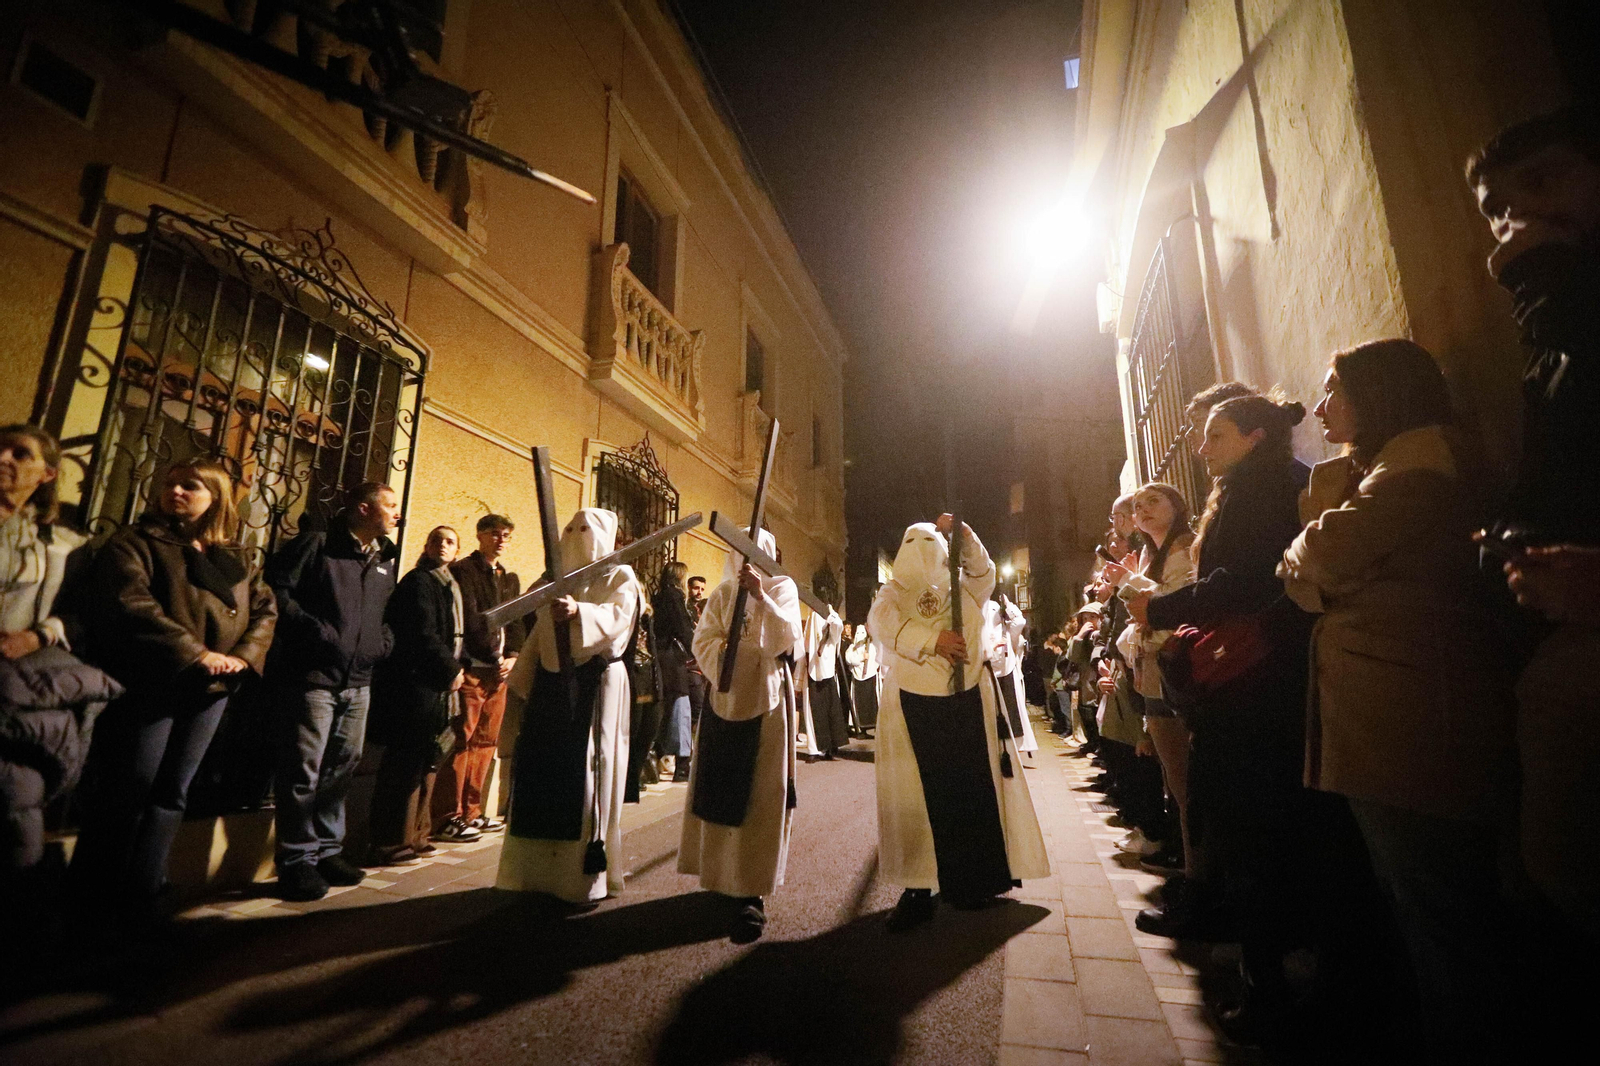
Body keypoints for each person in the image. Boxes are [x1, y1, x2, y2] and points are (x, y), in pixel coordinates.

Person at [1280, 339, 1516, 1061]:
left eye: (1334, 391)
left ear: (1382, 394)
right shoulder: (1384, 467)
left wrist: (1309, 565)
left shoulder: (1417, 464)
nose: (1320, 408)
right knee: (1415, 899)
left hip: (1413, 709)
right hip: (1394, 703)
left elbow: (1314, 557)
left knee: (1437, 906)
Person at [1126, 395, 1312, 1028]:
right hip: (1237, 677)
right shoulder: (1244, 488)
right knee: (1226, 819)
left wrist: (1160, 608)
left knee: (1248, 827)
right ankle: (1255, 967)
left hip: (1252, 682)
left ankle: (1268, 992)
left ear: (1255, 437)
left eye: (1216, 435)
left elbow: (1240, 580)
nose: (1201, 448)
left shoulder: (1262, 494)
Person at [1468, 107, 1600, 944]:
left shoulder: (1562, 299)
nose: (1520, 220)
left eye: (1546, 183)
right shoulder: (1550, 320)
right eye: (1498, 209)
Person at [75, 459, 277, 913]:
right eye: (171, 484)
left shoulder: (236, 556)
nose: (176, 492)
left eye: (191, 486)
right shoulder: (137, 542)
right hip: (155, 682)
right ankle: (97, 895)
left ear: (217, 498)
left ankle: (146, 886)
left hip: (213, 689)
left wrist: (241, 658)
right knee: (131, 785)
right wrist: (196, 653)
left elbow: (265, 609)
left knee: (173, 790)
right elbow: (132, 603)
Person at [868, 516, 1048, 932]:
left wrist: (966, 536)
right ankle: (918, 886)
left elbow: (983, 570)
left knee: (972, 788)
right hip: (911, 701)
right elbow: (882, 624)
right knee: (915, 797)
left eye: (930, 541)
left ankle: (974, 882)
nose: (921, 548)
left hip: (968, 699)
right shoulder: (892, 592)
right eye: (911, 541)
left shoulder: (965, 586)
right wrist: (932, 641)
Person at [498, 508, 641, 905]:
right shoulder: (551, 580)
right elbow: (538, 631)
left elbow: (617, 622)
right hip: (551, 687)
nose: (579, 536)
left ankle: (580, 880)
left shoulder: (619, 576)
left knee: (587, 776)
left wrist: (581, 612)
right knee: (541, 773)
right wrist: (525, 675)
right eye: (572, 529)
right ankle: (532, 875)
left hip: (595, 686)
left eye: (588, 530)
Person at [267, 481, 400, 902]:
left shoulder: (381, 560)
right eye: (390, 506)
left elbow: (385, 615)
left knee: (341, 769)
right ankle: (296, 861)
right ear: (363, 509)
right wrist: (317, 633)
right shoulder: (317, 545)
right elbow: (275, 592)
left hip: (358, 681)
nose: (397, 513)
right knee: (302, 771)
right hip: (314, 679)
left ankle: (327, 852)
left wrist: (381, 643)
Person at [678, 528, 802, 942]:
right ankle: (719, 876)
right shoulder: (722, 592)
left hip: (767, 700)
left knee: (761, 793)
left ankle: (751, 889)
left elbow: (788, 641)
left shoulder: (782, 586)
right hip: (725, 697)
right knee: (721, 784)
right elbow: (703, 639)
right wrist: (724, 663)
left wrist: (760, 598)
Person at [1, 425, 93, 876]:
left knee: (16, 803)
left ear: (46, 473)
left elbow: (82, 611)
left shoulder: (63, 542)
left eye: (20, 454)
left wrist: (37, 636)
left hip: (19, 681)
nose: (5, 459)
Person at [1103, 484, 1196, 885]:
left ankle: (1198, 872)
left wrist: (1129, 585)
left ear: (1177, 506)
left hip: (1179, 671)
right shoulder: (1150, 555)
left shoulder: (1184, 547)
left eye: (1153, 501)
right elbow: (1140, 620)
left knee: (1186, 779)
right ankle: (1188, 860)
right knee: (1174, 780)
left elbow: (1172, 608)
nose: (1142, 510)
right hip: (1154, 675)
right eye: (1137, 506)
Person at [368, 526, 465, 866]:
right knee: (404, 763)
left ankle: (418, 835)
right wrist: (450, 669)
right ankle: (391, 841)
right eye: (436, 539)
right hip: (413, 686)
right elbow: (421, 634)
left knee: (428, 760)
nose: (442, 545)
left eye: (449, 541)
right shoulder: (420, 582)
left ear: (456, 550)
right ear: (426, 546)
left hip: (433, 687)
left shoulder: (446, 583)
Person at [436, 513, 524, 841]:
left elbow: (515, 620)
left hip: (499, 674)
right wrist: (490, 655)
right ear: (480, 536)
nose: (500, 540)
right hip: (473, 669)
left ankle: (473, 812)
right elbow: (470, 620)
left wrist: (513, 655)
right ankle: (449, 816)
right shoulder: (464, 571)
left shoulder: (506, 577)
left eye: (506, 535)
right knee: (462, 742)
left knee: (486, 743)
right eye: (494, 534)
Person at [652, 561, 696, 782]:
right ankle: (682, 765)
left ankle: (657, 759)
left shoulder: (657, 597)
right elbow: (682, 628)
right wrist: (696, 651)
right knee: (681, 707)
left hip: (659, 657)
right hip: (672, 660)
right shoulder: (675, 597)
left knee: (664, 709)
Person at [982, 594, 1037, 760]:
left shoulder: (1006, 625)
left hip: (1005, 669)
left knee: (1010, 712)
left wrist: (1008, 606)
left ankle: (1012, 749)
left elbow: (1019, 622)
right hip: (985, 670)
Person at [803, 601, 847, 758]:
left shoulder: (833, 622)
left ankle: (829, 747)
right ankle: (814, 750)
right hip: (812, 670)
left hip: (827, 671)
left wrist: (830, 614)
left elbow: (837, 627)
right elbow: (806, 646)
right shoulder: (812, 617)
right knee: (812, 713)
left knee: (830, 711)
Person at [843, 623, 879, 737]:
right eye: (858, 633)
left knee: (871, 704)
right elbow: (849, 659)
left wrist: (870, 664)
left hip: (870, 677)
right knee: (858, 704)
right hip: (857, 678)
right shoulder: (851, 648)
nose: (860, 636)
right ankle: (859, 728)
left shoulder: (872, 647)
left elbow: (877, 660)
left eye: (862, 633)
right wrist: (861, 658)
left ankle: (872, 727)